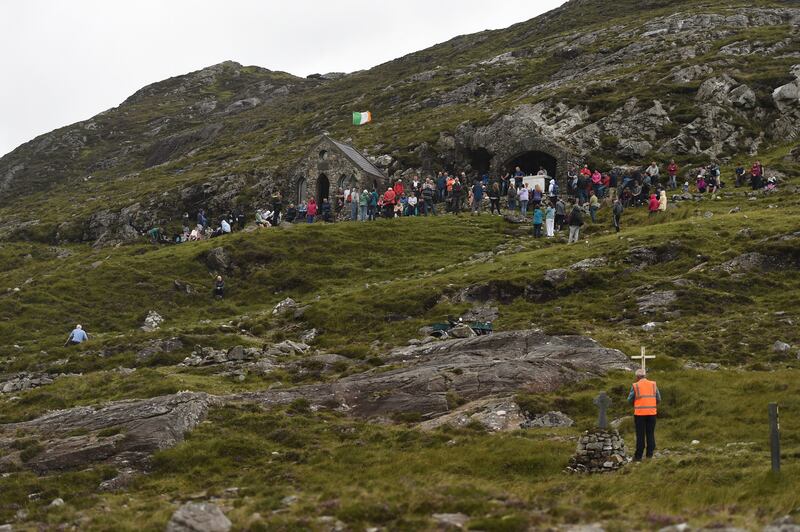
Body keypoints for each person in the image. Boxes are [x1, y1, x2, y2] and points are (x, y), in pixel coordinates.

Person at [627, 368, 661, 461]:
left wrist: (636, 404)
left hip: (640, 414)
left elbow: (629, 399)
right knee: (650, 434)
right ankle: (649, 455)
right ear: (645, 375)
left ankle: (638, 456)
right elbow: (658, 399)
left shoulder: (635, 385)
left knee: (640, 435)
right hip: (652, 413)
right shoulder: (653, 384)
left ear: (637, 377)